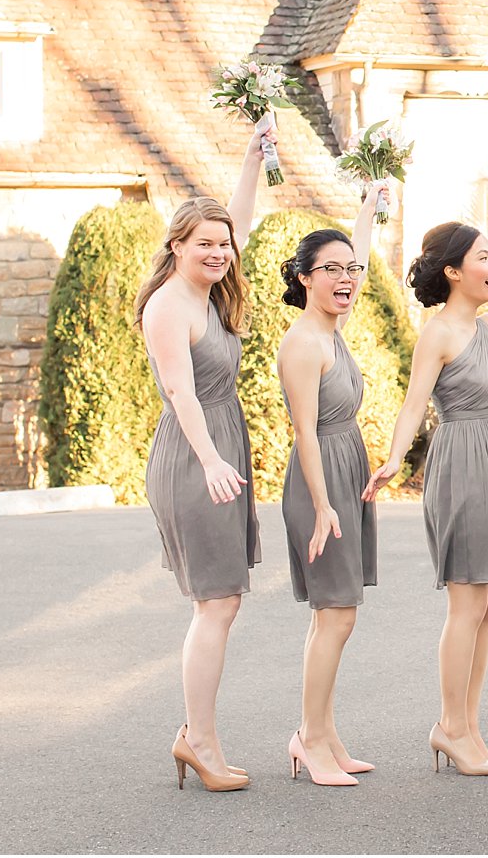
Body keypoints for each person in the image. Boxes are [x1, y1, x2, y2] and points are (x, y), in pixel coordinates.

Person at [362, 209, 488, 777]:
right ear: (453, 271)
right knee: (467, 601)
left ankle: (468, 727)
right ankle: (451, 728)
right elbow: (413, 405)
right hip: (460, 463)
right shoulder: (440, 333)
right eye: (484, 257)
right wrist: (394, 459)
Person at [134, 116, 273, 792]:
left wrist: (251, 160)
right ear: (177, 246)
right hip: (196, 456)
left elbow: (238, 225)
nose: (220, 252)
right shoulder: (170, 305)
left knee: (223, 602)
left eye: (223, 244)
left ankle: (198, 737)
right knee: (215, 603)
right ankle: (199, 741)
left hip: (218, 447)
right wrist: (214, 460)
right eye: (205, 244)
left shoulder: (208, 287)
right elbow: (177, 392)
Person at [275, 180, 391, 787]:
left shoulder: (332, 328)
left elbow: (359, 264)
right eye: (332, 270)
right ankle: (309, 738)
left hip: (345, 472)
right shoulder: (302, 342)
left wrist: (365, 213)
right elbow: (303, 434)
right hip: (320, 482)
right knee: (335, 614)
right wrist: (323, 508)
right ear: (303, 278)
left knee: (336, 614)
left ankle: (322, 733)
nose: (347, 279)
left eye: (351, 269)